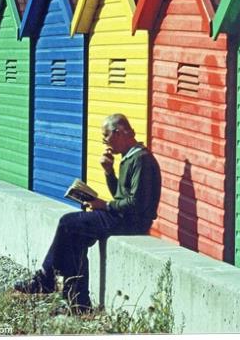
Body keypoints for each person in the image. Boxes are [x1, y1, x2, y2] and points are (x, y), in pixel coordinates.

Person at [14, 113, 162, 314]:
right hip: (121, 216)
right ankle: (78, 305)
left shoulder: (142, 160)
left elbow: (136, 203)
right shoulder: (127, 158)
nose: (104, 142)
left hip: (131, 222)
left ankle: (46, 278)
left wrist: (106, 206)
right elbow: (121, 194)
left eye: (105, 137)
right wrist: (109, 172)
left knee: (68, 222)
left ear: (118, 133)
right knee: (75, 239)